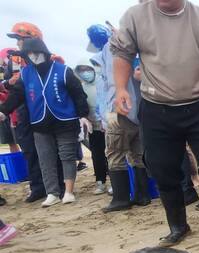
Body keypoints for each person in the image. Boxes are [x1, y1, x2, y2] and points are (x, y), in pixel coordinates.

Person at [111, 0, 199, 246]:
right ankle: (178, 227)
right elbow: (123, 53)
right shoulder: (135, 17)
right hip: (156, 107)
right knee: (163, 170)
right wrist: (121, 88)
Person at [0, 38, 92, 207]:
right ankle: (52, 193)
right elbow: (17, 95)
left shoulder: (63, 70)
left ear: (44, 52)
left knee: (67, 155)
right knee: (45, 158)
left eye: (36, 53)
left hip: (65, 120)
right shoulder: (26, 74)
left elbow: (78, 94)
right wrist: (4, 111)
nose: (33, 57)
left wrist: (83, 116)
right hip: (39, 122)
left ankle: (69, 191)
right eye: (29, 54)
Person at [91, 22, 151, 213]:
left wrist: (107, 115)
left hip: (117, 109)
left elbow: (111, 82)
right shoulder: (133, 46)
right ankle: (143, 195)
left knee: (114, 153)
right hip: (138, 110)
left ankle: (120, 198)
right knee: (137, 153)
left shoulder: (111, 48)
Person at [74, 57, 109, 195]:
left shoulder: (103, 82)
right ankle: (100, 181)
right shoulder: (81, 88)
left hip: (107, 124)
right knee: (97, 154)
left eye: (87, 69)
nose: (85, 73)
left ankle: (115, 180)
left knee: (111, 153)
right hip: (92, 126)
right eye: (81, 70)